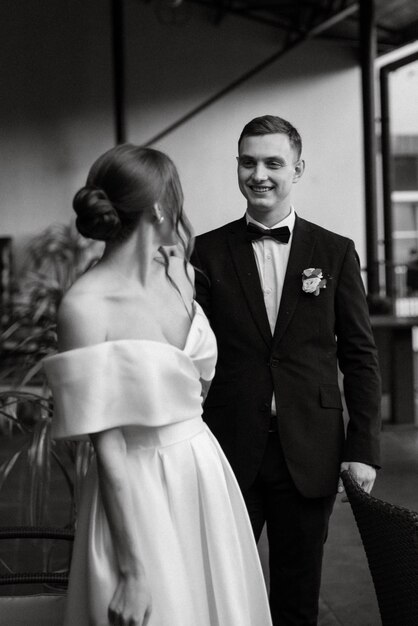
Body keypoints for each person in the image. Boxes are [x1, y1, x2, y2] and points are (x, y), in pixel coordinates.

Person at [43, 144, 272, 626]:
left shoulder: (182, 275)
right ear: (163, 206)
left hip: (203, 472)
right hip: (136, 486)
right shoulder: (85, 307)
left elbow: (196, 388)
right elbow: (104, 446)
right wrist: (130, 569)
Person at [191, 115, 381, 626]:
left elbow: (359, 356)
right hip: (229, 447)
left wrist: (362, 448)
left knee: (299, 597)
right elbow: (192, 355)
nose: (260, 174)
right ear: (237, 167)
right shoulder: (205, 252)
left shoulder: (335, 252)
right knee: (226, 593)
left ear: (297, 169)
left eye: (273, 163)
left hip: (311, 447)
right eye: (249, 162)